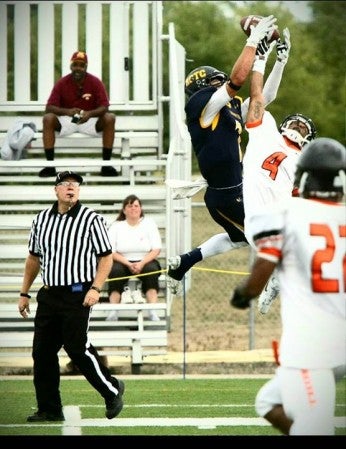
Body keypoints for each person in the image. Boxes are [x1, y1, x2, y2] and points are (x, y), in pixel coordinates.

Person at [230, 137, 346, 435]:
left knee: (315, 430)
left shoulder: (289, 212)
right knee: (268, 401)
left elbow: (263, 269)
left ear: (304, 176)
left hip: (313, 344)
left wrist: (243, 295)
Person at [167, 19, 289, 295]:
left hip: (236, 187)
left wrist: (271, 61)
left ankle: (183, 262)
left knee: (239, 239)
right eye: (214, 81)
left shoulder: (227, 108)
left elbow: (262, 99)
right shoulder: (203, 108)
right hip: (227, 192)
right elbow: (237, 80)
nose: (220, 82)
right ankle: (275, 280)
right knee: (266, 234)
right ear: (200, 87)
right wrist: (252, 42)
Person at [17, 170, 124, 422]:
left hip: (78, 293)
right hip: (49, 294)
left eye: (75, 184)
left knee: (77, 347)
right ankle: (50, 408)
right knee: (42, 352)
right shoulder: (41, 220)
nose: (71, 188)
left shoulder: (91, 219)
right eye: (65, 184)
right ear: (56, 190)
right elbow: (34, 258)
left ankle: (111, 392)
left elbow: (106, 257)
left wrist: (96, 288)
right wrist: (24, 293)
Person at [242, 31, 316, 314]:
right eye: (296, 123)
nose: (298, 127)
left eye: (304, 128)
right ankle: (276, 280)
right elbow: (258, 96)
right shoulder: (266, 129)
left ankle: (280, 283)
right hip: (256, 217)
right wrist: (264, 60)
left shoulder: (304, 159)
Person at [39, 51, 118, 178]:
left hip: (89, 121)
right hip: (68, 120)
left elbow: (105, 106)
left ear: (85, 67)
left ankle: (106, 165)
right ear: (71, 66)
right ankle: (49, 166)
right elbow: (49, 108)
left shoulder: (95, 82)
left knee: (110, 118)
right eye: (75, 64)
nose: (78, 68)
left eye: (81, 65)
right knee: (48, 118)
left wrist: (90, 114)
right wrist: (67, 111)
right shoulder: (62, 82)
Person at [107, 194, 163, 322]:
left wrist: (141, 263)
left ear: (141, 208)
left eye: (136, 206)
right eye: (130, 206)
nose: (133, 208)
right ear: (124, 210)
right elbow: (111, 251)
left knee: (152, 271)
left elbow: (156, 249)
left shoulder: (149, 224)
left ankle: (152, 311)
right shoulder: (116, 226)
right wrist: (128, 263)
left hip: (145, 260)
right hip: (122, 261)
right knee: (115, 272)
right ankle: (113, 311)